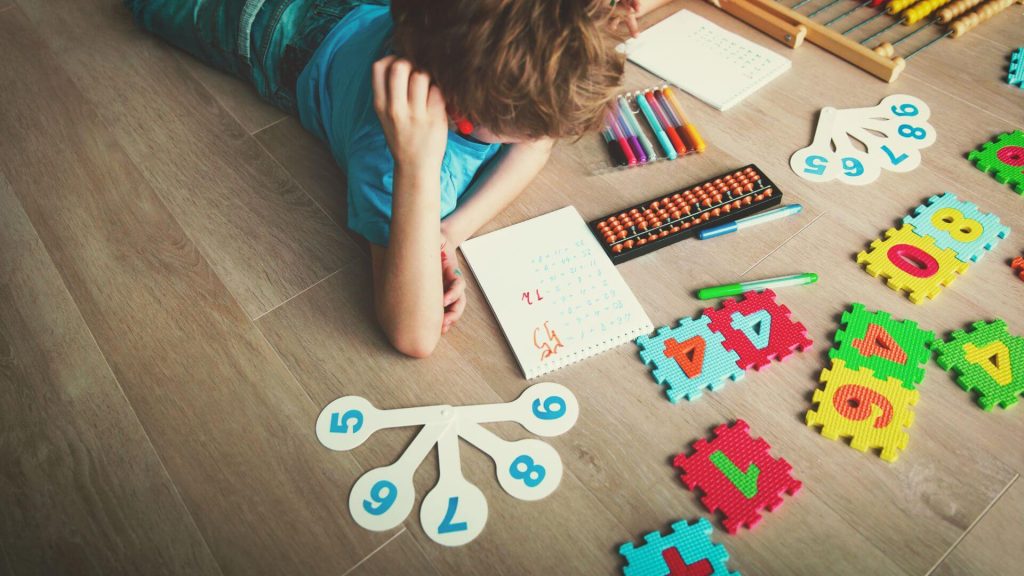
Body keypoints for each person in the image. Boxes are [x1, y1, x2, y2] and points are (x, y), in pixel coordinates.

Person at [125, 0, 642, 357]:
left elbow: (537, 140)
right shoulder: (397, 157)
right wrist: (417, 173)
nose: (539, 138)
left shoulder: (453, 30)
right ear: (463, 108)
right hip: (265, 29)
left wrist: (451, 231)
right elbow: (413, 336)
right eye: (526, 127)